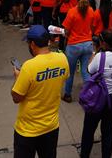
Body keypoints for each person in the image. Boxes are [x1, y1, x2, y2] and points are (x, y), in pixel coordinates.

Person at [12, 25, 70, 158]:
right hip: (51, 127)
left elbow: (16, 97)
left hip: (27, 131)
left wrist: (17, 78)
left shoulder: (29, 67)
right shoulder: (62, 59)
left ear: (32, 44)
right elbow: (63, 78)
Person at [80, 31, 112, 158]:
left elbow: (88, 70)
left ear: (103, 43)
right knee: (108, 129)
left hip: (100, 98)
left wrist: (94, 52)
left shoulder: (100, 57)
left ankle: (84, 154)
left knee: (89, 129)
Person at [61, 0, 96, 103]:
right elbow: (92, 26)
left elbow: (66, 30)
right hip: (88, 44)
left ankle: (67, 95)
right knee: (86, 71)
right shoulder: (91, 10)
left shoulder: (72, 12)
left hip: (74, 45)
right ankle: (89, 95)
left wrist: (66, 34)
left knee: (70, 72)